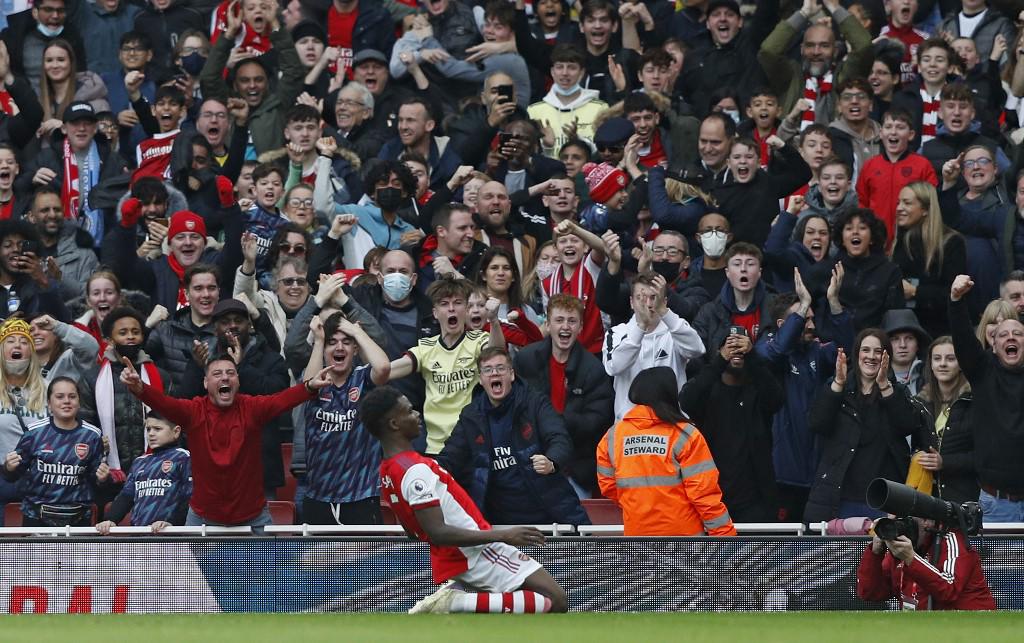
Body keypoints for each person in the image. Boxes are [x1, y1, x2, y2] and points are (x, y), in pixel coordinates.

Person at [360, 384, 567, 614]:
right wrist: (504, 535)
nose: (417, 414)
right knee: (555, 600)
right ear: (394, 424)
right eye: (409, 411)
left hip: (462, 553)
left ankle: (460, 599)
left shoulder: (388, 470)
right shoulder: (414, 470)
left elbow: (413, 530)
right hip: (476, 552)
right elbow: (437, 531)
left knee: (523, 606)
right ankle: (455, 602)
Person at [120, 346, 335, 531]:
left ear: (238, 381)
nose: (225, 377)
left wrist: (309, 386)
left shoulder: (252, 408)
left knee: (268, 579)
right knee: (199, 580)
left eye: (230, 373)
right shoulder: (193, 411)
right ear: (205, 383)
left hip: (254, 518)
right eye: (217, 373)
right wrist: (139, 388)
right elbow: (164, 403)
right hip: (203, 519)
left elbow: (281, 400)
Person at [436, 347, 588, 526]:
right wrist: (425, 470)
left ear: (512, 375)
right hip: (497, 524)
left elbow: (559, 438)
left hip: (551, 516)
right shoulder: (471, 416)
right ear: (481, 379)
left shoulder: (535, 402)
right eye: (488, 370)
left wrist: (551, 461)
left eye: (500, 368)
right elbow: (451, 457)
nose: (494, 374)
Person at [755, 266, 852, 522]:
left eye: (811, 318)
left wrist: (833, 302)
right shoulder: (767, 349)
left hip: (818, 468)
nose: (810, 325)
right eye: (802, 318)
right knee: (782, 548)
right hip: (782, 473)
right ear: (781, 325)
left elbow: (845, 350)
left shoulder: (816, 352)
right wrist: (805, 301)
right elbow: (775, 353)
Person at [596, 366, 736, 537]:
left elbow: (609, 487)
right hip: (685, 542)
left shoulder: (612, 437)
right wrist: (724, 535)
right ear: (670, 393)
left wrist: (640, 504)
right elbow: (704, 494)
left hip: (637, 540)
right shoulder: (686, 434)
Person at [805, 329, 917, 521]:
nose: (871, 357)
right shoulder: (838, 387)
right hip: (841, 496)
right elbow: (817, 424)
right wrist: (838, 383)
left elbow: (908, 424)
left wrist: (884, 385)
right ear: (857, 354)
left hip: (884, 497)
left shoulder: (896, 391)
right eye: (866, 350)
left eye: (877, 351)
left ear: (886, 357)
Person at [387, 277, 505, 455]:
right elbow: (389, 370)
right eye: (444, 303)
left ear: (465, 310)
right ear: (435, 312)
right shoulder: (426, 347)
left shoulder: (477, 341)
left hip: (472, 444)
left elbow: (496, 353)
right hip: (437, 447)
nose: (451, 308)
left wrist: (494, 320)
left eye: (458, 303)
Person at [680, 326, 783, 522]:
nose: (736, 351)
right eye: (730, 346)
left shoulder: (758, 388)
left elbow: (776, 400)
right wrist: (720, 359)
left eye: (742, 347)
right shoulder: (707, 389)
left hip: (755, 498)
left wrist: (752, 356)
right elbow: (687, 400)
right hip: (712, 495)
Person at [514, 294, 613, 498]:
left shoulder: (593, 369)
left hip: (575, 468)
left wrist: (560, 421)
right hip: (530, 462)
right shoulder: (526, 359)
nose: (565, 327)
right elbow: (513, 406)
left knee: (576, 529)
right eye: (559, 320)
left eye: (572, 321)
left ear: (581, 327)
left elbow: (599, 420)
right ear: (548, 325)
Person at [949, 274, 1024, 522]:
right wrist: (956, 300)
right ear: (993, 344)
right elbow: (962, 340)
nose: (1011, 337)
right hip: (997, 504)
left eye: (1018, 333)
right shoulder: (983, 372)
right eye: (1003, 335)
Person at [3, 377, 109, 527]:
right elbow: (13, 476)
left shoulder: (92, 435)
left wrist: (103, 479)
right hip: (36, 517)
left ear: (79, 402)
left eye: (72, 396)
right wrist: (9, 467)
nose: (66, 401)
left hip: (78, 519)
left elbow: (97, 482)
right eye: (59, 397)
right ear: (49, 403)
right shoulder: (34, 433)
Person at [604, 272, 704, 423]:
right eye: (640, 298)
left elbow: (697, 349)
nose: (648, 304)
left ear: (664, 301)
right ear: (631, 302)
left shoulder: (675, 329)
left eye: (653, 298)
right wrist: (641, 327)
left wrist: (664, 312)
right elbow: (614, 367)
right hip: (630, 426)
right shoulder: (617, 333)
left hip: (671, 424)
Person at [759, 0, 873, 128]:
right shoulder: (791, 76)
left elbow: (864, 46)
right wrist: (803, 13)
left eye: (824, 46)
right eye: (810, 45)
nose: (816, 52)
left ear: (835, 51)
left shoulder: (845, 78)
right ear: (802, 49)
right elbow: (768, 52)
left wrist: (834, 7)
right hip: (791, 146)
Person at [857, 517, 996, 610]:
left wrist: (911, 559)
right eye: (899, 520)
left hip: (972, 627)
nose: (902, 528)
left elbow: (948, 590)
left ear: (928, 522)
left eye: (911, 520)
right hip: (922, 629)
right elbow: (870, 593)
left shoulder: (951, 541)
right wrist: (875, 554)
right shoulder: (898, 548)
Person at [806, 208, 904, 332]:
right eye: (849, 228)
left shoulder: (890, 272)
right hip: (832, 345)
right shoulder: (822, 271)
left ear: (872, 237)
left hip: (874, 345)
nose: (855, 232)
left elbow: (895, 317)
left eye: (862, 228)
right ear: (841, 238)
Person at [892, 182, 967, 338]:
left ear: (925, 209)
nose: (899, 208)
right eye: (898, 202)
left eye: (907, 203)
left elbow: (954, 293)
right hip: (906, 331)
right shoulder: (900, 243)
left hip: (941, 330)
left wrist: (915, 292)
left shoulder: (952, 243)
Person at [95, 413, 192, 534]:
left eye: (157, 429)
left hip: (170, 537)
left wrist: (173, 523)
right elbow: (126, 496)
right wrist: (110, 519)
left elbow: (189, 498)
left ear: (176, 432)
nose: (151, 433)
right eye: (148, 429)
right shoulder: (139, 462)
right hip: (138, 537)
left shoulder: (183, 457)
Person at [913, 336, 978, 505]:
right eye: (937, 359)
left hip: (965, 498)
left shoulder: (975, 402)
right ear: (931, 365)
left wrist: (945, 462)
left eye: (950, 359)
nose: (942, 364)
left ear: (961, 363)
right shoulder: (919, 402)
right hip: (927, 499)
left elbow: (985, 457)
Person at [24, 186, 98, 301]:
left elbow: (94, 297)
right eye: (45, 210)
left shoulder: (84, 254)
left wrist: (60, 279)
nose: (53, 215)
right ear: (31, 217)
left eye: (57, 210)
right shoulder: (20, 254)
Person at [882, 308, 931, 395]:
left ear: (918, 344)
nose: (903, 345)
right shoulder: (874, 379)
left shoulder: (933, 376)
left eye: (909, 338)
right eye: (895, 339)